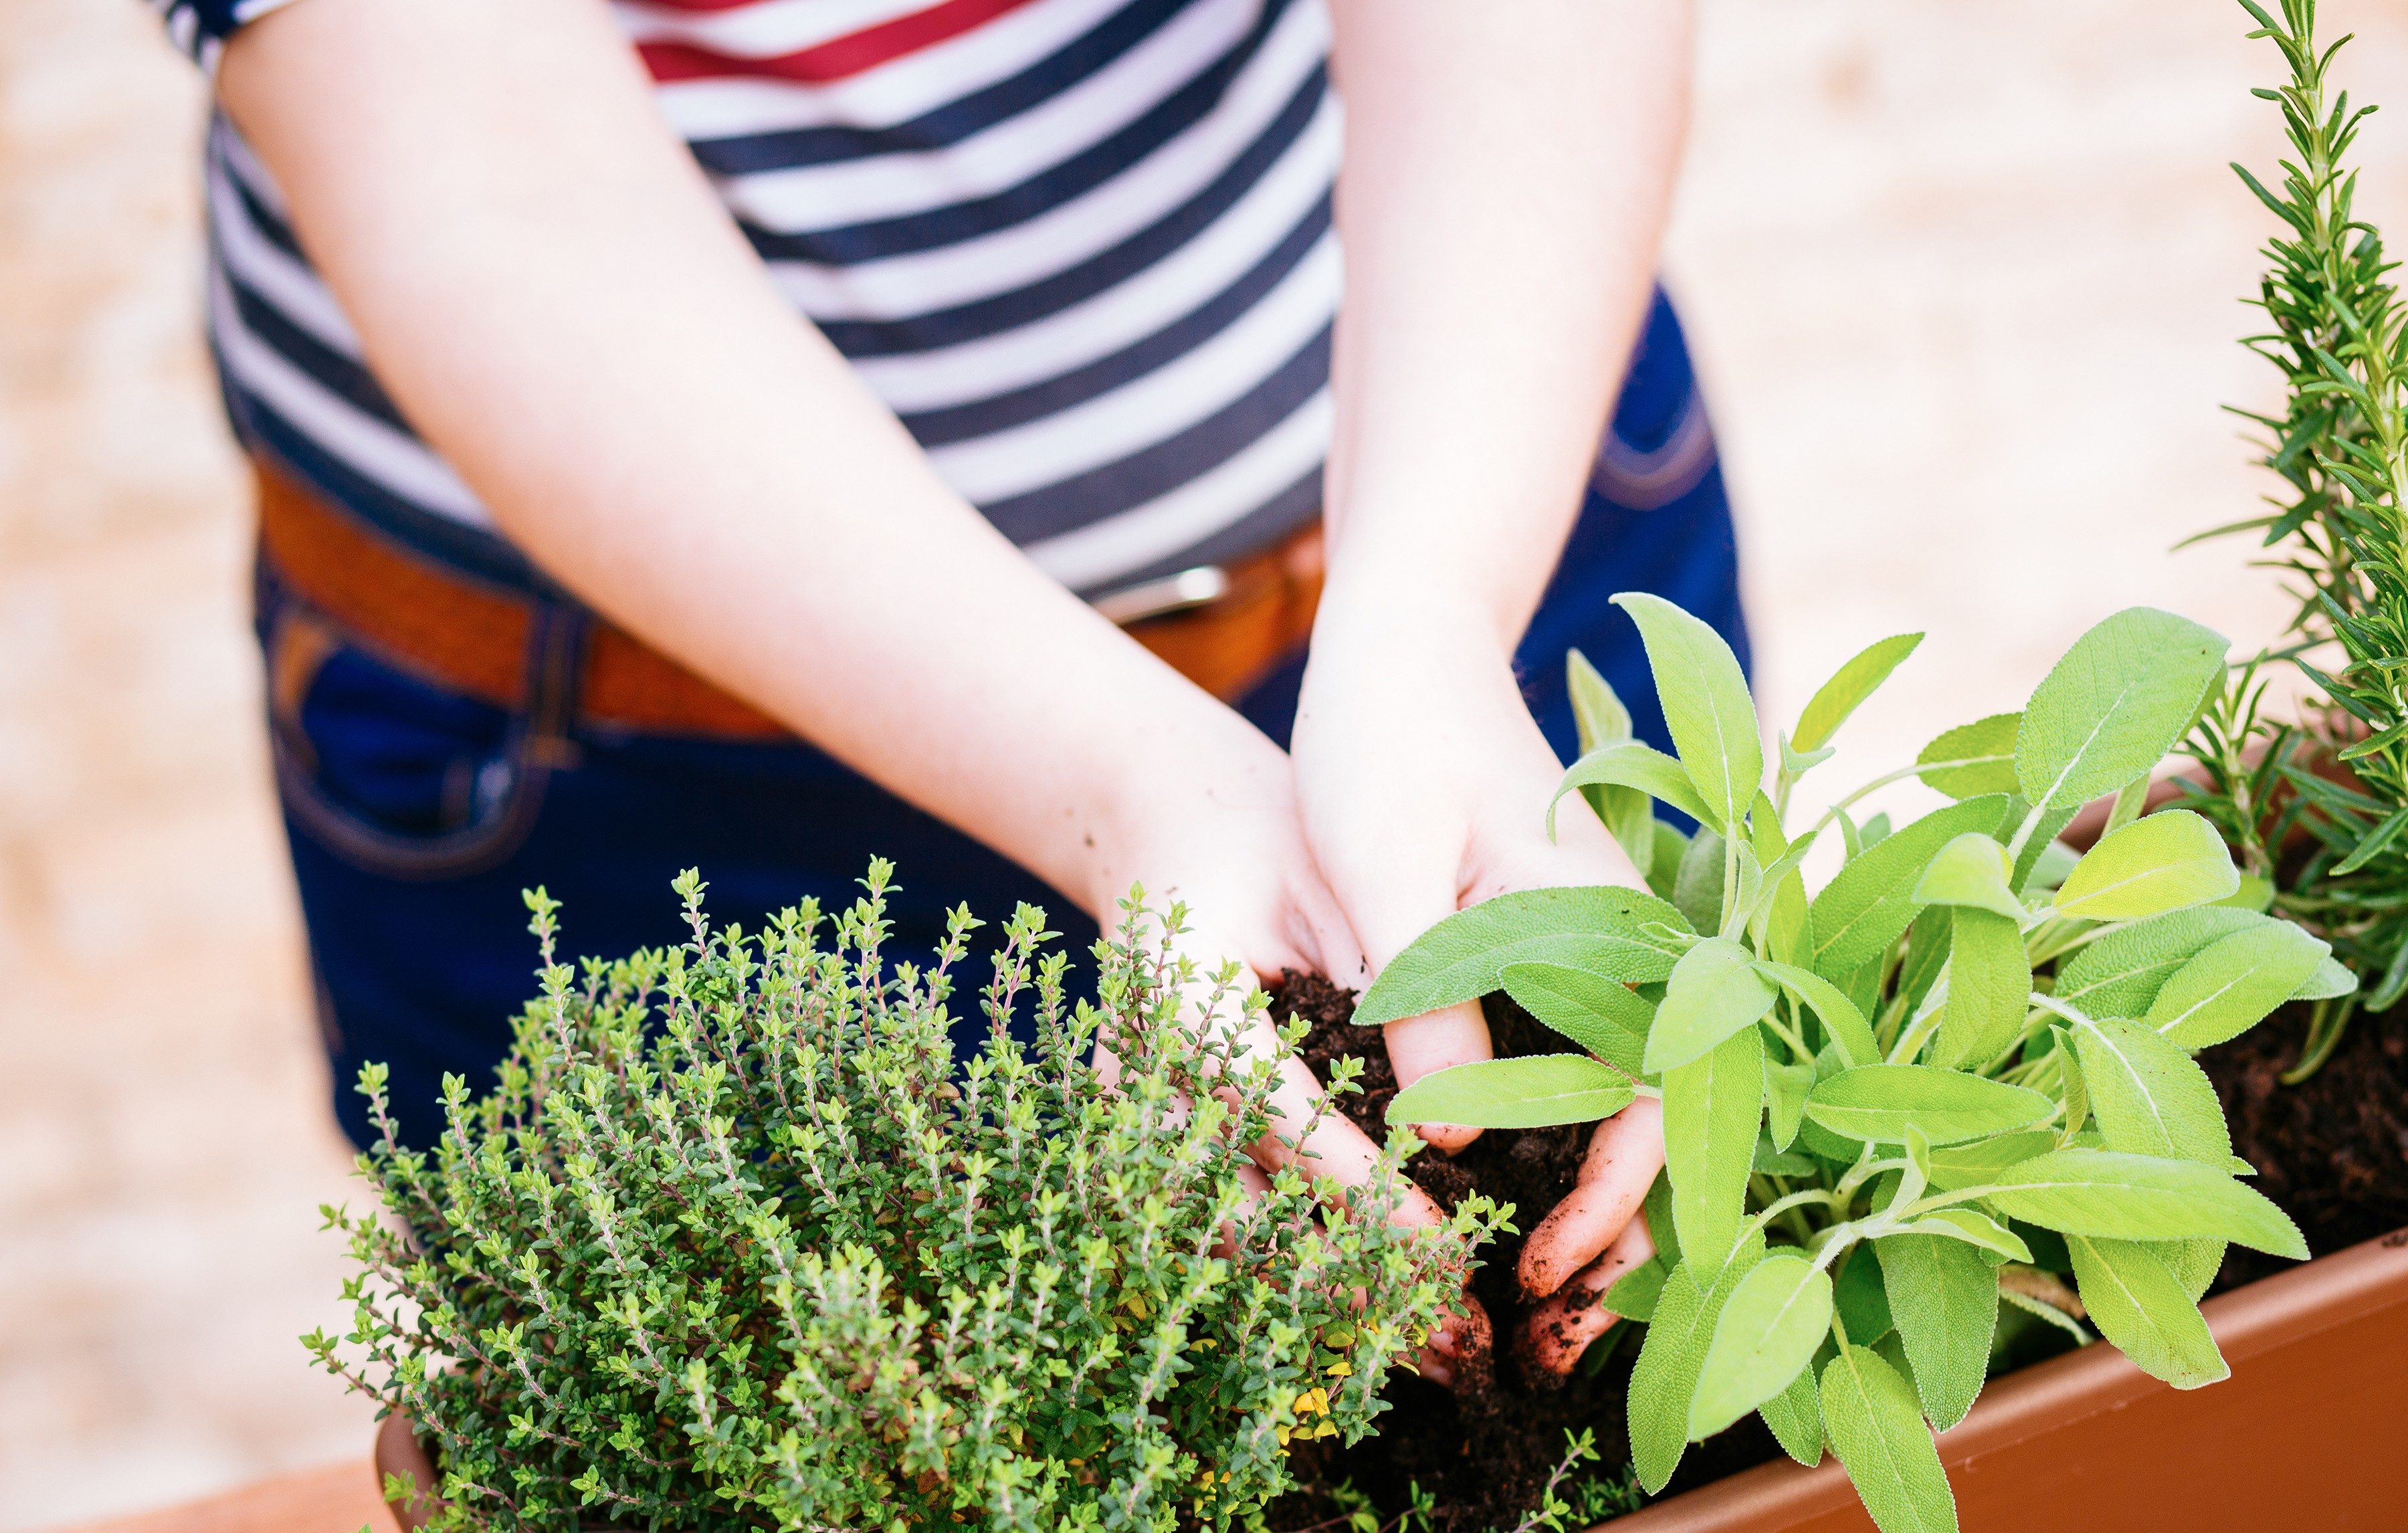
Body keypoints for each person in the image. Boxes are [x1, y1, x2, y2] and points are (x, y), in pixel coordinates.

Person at [153, 0, 1748, 1379]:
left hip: (1473, 471)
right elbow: (482, 174)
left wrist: (1434, 611)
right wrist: (1127, 777)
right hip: (650, 777)